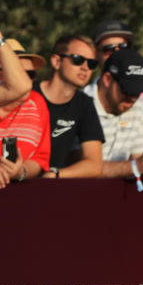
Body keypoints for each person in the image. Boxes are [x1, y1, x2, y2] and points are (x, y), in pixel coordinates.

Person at [87, 50, 143, 180]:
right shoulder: (82, 104)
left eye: (137, 92)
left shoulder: (138, 105)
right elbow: (81, 166)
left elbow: (139, 157)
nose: (132, 99)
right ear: (107, 79)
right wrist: (136, 166)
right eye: (127, 90)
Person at [32, 34, 104, 178]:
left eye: (91, 64)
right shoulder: (28, 92)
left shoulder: (84, 104)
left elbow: (95, 165)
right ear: (56, 61)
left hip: (50, 190)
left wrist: (56, 174)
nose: (85, 67)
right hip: (11, 184)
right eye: (78, 59)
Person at [89, 20, 143, 133]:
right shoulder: (84, 100)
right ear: (96, 54)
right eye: (109, 48)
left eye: (124, 46)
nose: (118, 52)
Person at [0, 39, 50, 188]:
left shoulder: (37, 102)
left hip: (15, 198)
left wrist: (20, 172)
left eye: (30, 74)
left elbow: (39, 159)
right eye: (18, 74)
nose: (27, 83)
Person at [0, 28, 33, 112]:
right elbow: (22, 86)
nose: (25, 77)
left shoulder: (37, 103)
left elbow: (23, 86)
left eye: (31, 74)